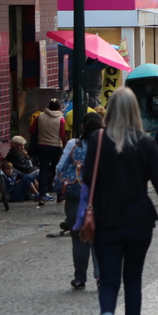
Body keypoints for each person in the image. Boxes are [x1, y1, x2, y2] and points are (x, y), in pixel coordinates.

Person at [83, 88, 158, 315]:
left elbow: (86, 179)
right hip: (139, 221)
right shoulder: (144, 142)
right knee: (133, 280)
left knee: (108, 278)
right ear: (134, 111)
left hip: (106, 220)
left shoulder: (97, 139)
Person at [57, 112, 103, 290]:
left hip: (76, 196)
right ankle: (101, 277)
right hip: (100, 198)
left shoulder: (73, 144)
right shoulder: (107, 144)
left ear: (83, 127)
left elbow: (60, 167)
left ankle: (79, 278)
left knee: (78, 239)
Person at [31, 98, 66, 206]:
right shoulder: (61, 119)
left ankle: (42, 195)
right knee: (57, 170)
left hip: (42, 146)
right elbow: (62, 134)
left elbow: (31, 130)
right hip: (56, 147)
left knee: (43, 170)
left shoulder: (39, 117)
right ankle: (59, 195)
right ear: (59, 107)